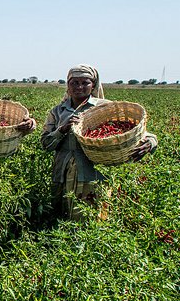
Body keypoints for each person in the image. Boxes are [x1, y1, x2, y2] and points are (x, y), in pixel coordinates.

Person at [41, 64, 157, 219]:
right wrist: (61, 130)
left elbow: (132, 131)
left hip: (93, 174)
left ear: (93, 85)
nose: (79, 87)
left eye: (85, 82)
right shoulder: (58, 111)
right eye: (74, 82)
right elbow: (45, 143)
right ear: (68, 85)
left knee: (90, 216)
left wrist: (151, 141)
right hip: (62, 172)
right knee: (60, 216)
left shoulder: (104, 108)